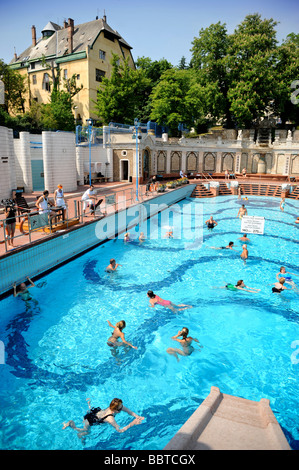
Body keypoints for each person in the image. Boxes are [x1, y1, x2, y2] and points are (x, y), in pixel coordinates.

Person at [62, 398, 144, 439]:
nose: (123, 408)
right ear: (115, 410)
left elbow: (128, 411)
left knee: (91, 413)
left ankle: (89, 404)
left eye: (122, 406)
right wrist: (133, 423)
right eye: (120, 408)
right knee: (86, 432)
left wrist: (137, 417)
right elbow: (120, 430)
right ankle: (71, 425)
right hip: (91, 420)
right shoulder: (110, 419)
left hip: (95, 412)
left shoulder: (116, 407)